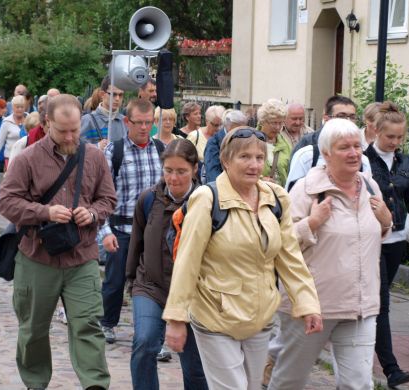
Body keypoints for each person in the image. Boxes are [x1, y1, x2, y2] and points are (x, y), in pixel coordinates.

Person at [163, 126, 322, 389]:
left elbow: (290, 256)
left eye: (259, 158)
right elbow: (187, 262)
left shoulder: (276, 198)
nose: (254, 165)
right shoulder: (207, 198)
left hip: (259, 317)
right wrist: (176, 319)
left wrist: (307, 303)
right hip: (215, 315)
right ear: (225, 160)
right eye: (244, 157)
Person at [0, 94, 116, 390]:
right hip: (38, 257)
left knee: (88, 326)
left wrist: (92, 213)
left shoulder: (95, 157)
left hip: (82, 256)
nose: (70, 136)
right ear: (48, 122)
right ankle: (35, 383)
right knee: (33, 331)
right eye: (63, 130)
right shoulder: (28, 158)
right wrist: (44, 212)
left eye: (75, 129)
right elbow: (7, 203)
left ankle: (95, 385)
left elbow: (108, 198)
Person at [268, 118, 393, 390]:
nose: (354, 153)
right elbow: (280, 243)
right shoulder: (307, 190)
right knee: (290, 380)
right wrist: (311, 223)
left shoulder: (370, 187)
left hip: (360, 304)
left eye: (357, 146)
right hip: (311, 307)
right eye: (344, 147)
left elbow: (371, 236)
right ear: (326, 154)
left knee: (358, 384)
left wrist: (386, 221)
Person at [127, 138, 208, 390]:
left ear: (195, 169)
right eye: (168, 170)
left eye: (181, 171)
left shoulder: (207, 202)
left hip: (193, 294)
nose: (174, 178)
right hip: (151, 287)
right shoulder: (148, 200)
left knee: (195, 367)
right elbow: (136, 243)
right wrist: (131, 282)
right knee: (144, 343)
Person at [364, 101, 409, 387]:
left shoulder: (405, 163)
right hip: (372, 240)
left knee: (377, 300)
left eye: (400, 137)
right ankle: (391, 368)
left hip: (397, 241)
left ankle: (363, 341)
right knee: (382, 303)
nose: (395, 142)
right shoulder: (364, 160)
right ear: (376, 131)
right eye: (390, 136)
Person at [99, 98, 164, 344]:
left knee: (151, 284)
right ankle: (108, 322)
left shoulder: (160, 150)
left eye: (149, 123)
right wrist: (105, 232)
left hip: (152, 231)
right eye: (139, 123)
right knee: (115, 281)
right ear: (127, 122)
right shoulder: (114, 152)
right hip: (122, 228)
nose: (145, 128)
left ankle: (150, 334)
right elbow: (102, 196)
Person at [286, 95, 365, 191]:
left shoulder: (362, 159)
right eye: (341, 116)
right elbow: (292, 196)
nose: (348, 121)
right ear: (326, 118)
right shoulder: (307, 153)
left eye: (352, 117)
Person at [80, 76, 126, 147]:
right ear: (102, 94)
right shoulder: (87, 120)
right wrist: (97, 146)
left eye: (120, 95)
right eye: (113, 94)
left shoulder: (126, 121)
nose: (117, 99)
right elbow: (77, 149)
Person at [203, 109, 248, 182]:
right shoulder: (214, 142)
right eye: (237, 130)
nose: (241, 133)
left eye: (243, 129)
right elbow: (212, 173)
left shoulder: (244, 139)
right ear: (228, 127)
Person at [257, 100, 293, 186]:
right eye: (274, 123)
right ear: (262, 121)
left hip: (280, 195)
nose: (277, 127)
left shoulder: (285, 144)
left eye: (280, 123)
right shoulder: (251, 141)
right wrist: (261, 180)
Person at [0, 95, 27, 171]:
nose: (19, 109)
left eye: (22, 107)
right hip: (10, 158)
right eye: (17, 107)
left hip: (26, 158)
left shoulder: (29, 119)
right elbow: (0, 141)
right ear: (13, 107)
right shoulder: (6, 122)